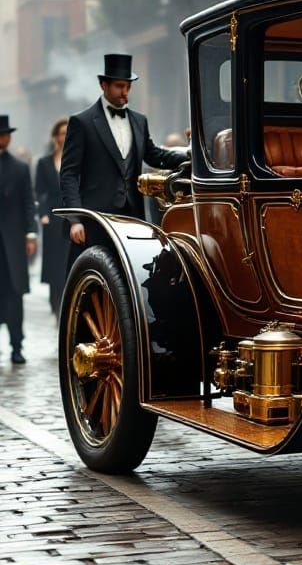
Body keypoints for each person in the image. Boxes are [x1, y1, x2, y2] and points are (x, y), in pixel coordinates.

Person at [60, 54, 190, 267]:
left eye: (128, 86)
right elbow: (69, 174)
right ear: (104, 85)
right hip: (95, 220)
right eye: (119, 86)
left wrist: (188, 155)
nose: (125, 92)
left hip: (132, 217)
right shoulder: (81, 122)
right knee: (92, 276)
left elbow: (155, 155)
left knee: (127, 278)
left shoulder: (139, 121)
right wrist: (75, 219)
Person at [0, 115, 39, 363]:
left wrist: (31, 233)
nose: (4, 138)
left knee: (15, 295)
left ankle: (17, 346)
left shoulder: (20, 167)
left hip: (13, 242)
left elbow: (28, 203)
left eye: (6, 134)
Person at [35, 117, 71, 315]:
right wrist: (42, 214)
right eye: (61, 134)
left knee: (68, 258)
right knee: (53, 262)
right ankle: (55, 302)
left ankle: (68, 301)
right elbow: (39, 192)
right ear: (55, 137)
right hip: (51, 217)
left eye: (67, 133)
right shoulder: (43, 162)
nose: (63, 137)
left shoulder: (75, 161)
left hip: (70, 215)